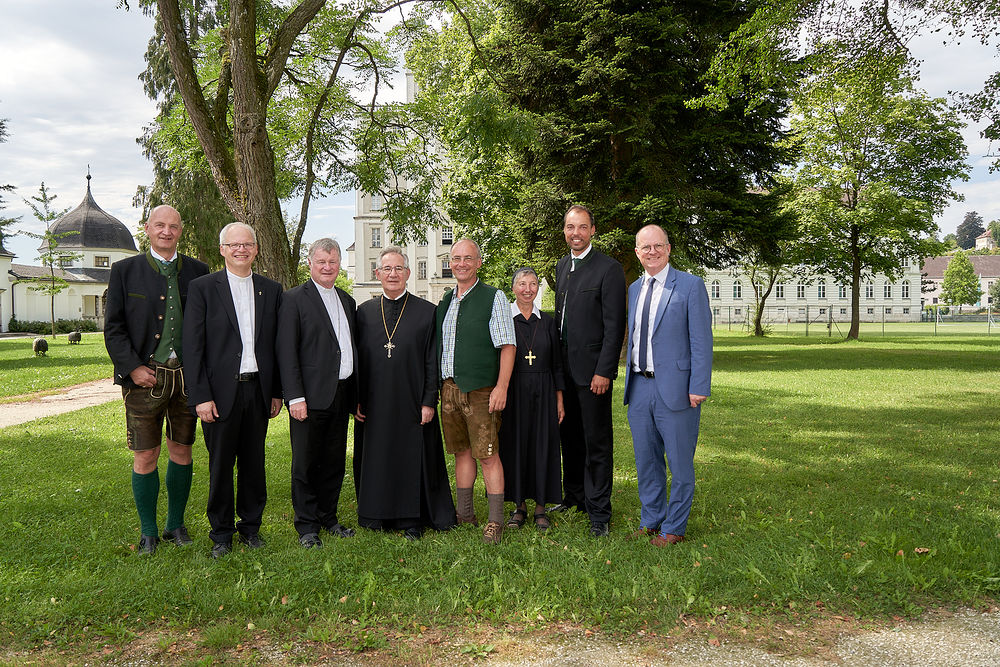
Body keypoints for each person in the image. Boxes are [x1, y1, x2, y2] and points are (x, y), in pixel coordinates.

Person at [104, 205, 209, 555]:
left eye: (173, 226)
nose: (167, 231)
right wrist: (132, 368)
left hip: (186, 378)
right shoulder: (125, 271)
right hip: (144, 378)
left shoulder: (198, 271)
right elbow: (114, 328)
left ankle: (175, 525)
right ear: (147, 228)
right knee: (146, 454)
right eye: (160, 225)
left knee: (182, 449)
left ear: (181, 231)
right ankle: (148, 531)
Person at [183, 222, 283, 558]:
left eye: (247, 244)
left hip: (257, 390)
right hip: (218, 394)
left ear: (256, 249)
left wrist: (276, 391)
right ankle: (221, 534)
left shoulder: (271, 289)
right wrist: (200, 395)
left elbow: (275, 345)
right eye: (234, 244)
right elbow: (193, 346)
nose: (241, 249)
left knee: (254, 463)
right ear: (222, 249)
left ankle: (251, 529)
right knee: (221, 465)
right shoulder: (203, 288)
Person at [354, 246, 456, 540]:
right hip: (374, 403)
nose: (393, 274)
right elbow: (358, 361)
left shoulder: (427, 312)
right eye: (387, 269)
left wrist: (428, 401)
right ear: (377, 274)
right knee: (379, 457)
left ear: (409, 274)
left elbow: (431, 360)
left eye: (399, 269)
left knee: (410, 459)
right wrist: (357, 400)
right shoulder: (365, 313)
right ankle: (376, 513)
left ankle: (411, 519)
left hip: (412, 402)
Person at [624, 224, 712, 546]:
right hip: (639, 387)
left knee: (679, 463)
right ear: (637, 252)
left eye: (658, 246)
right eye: (645, 247)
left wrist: (699, 384)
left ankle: (674, 527)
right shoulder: (633, 289)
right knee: (646, 461)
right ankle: (652, 519)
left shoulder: (690, 286)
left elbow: (701, 340)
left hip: (677, 389)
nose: (652, 252)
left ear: (668, 248)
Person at [276, 238, 358, 548]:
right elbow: (286, 352)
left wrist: (355, 397)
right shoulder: (294, 300)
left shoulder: (347, 301)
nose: (327, 267)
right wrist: (294, 396)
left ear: (340, 265)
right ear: (310, 263)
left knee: (334, 460)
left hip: (340, 394)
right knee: (306, 463)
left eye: (333, 262)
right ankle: (307, 526)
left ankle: (329, 517)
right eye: (321, 261)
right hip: (308, 398)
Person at [552, 204, 626, 537]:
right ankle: (575, 497)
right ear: (564, 231)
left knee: (597, 442)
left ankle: (599, 511)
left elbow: (615, 326)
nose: (576, 233)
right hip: (564, 373)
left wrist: (604, 371)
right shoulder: (562, 265)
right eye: (570, 227)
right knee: (570, 439)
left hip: (593, 373)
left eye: (582, 227)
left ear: (593, 230)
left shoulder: (608, 269)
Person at [437, 238, 516, 544]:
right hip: (450, 389)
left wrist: (502, 387)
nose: (461, 263)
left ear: (479, 262)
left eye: (468, 258)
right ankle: (465, 513)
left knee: (488, 455)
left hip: (481, 390)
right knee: (462, 452)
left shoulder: (493, 297)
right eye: (456, 258)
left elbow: (508, 345)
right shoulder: (447, 300)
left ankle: (495, 521)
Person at [498, 267, 565, 532]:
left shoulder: (547, 322)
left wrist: (559, 398)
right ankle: (519, 506)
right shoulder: (504, 319)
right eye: (522, 284)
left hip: (545, 389)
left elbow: (558, 363)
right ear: (513, 288)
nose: (528, 289)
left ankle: (540, 507)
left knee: (543, 445)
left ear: (538, 288)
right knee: (515, 445)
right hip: (514, 390)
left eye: (533, 284)